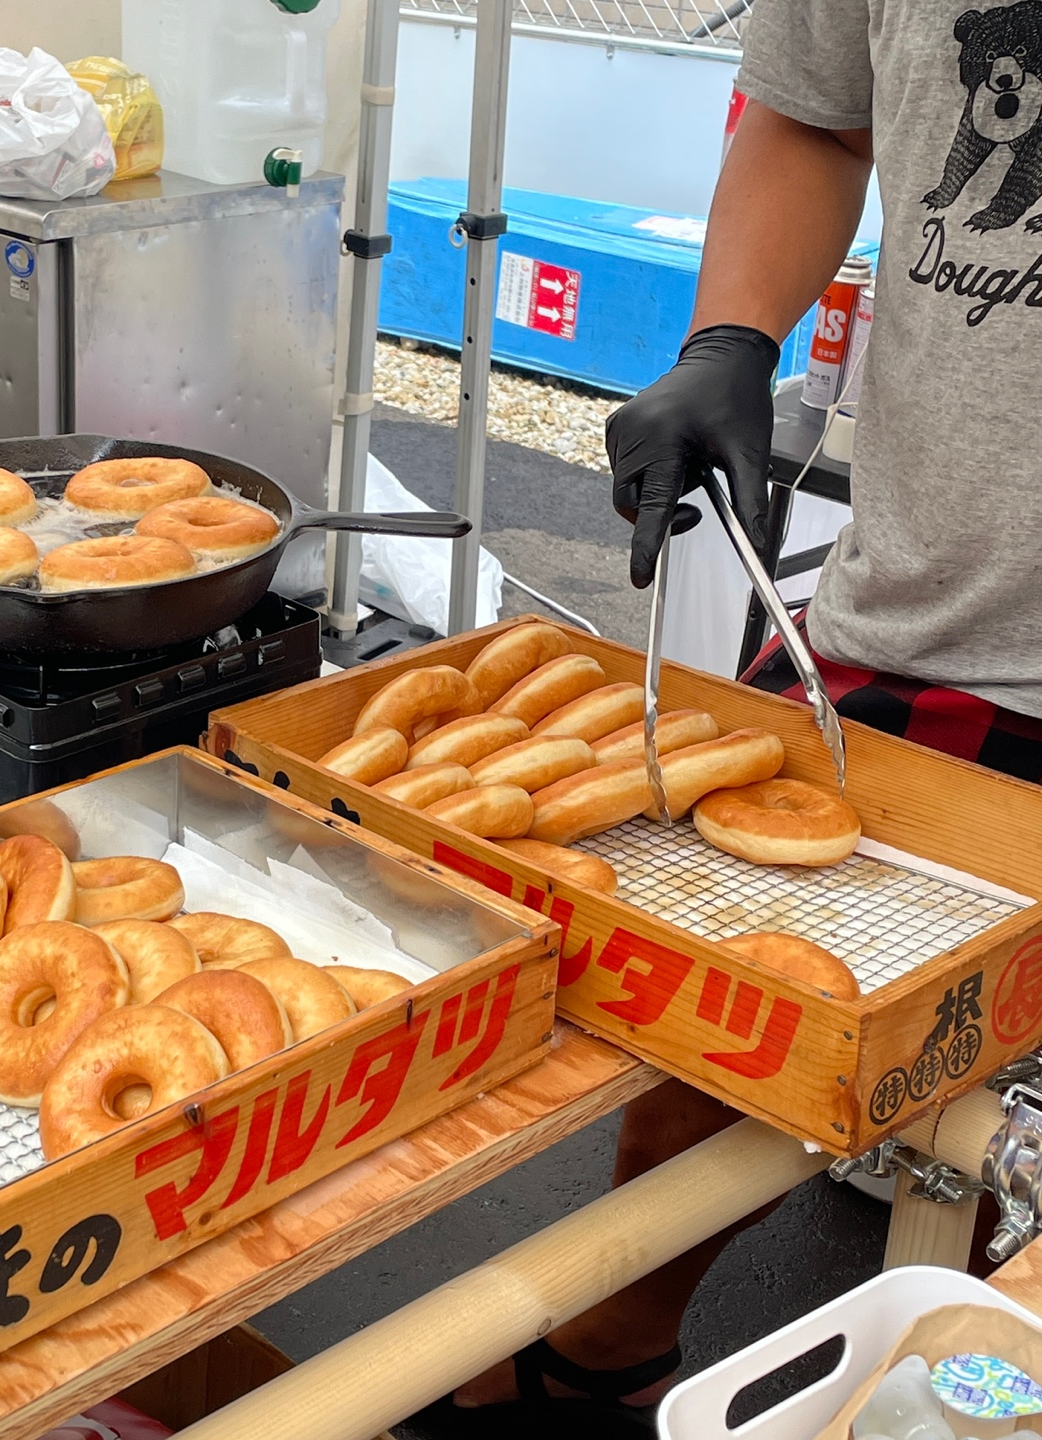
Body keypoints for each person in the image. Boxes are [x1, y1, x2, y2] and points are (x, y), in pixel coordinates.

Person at [434, 0, 1042, 1433]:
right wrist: (729, 338)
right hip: (921, 617)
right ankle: (612, 1339)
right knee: (721, 1037)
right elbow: (816, 112)